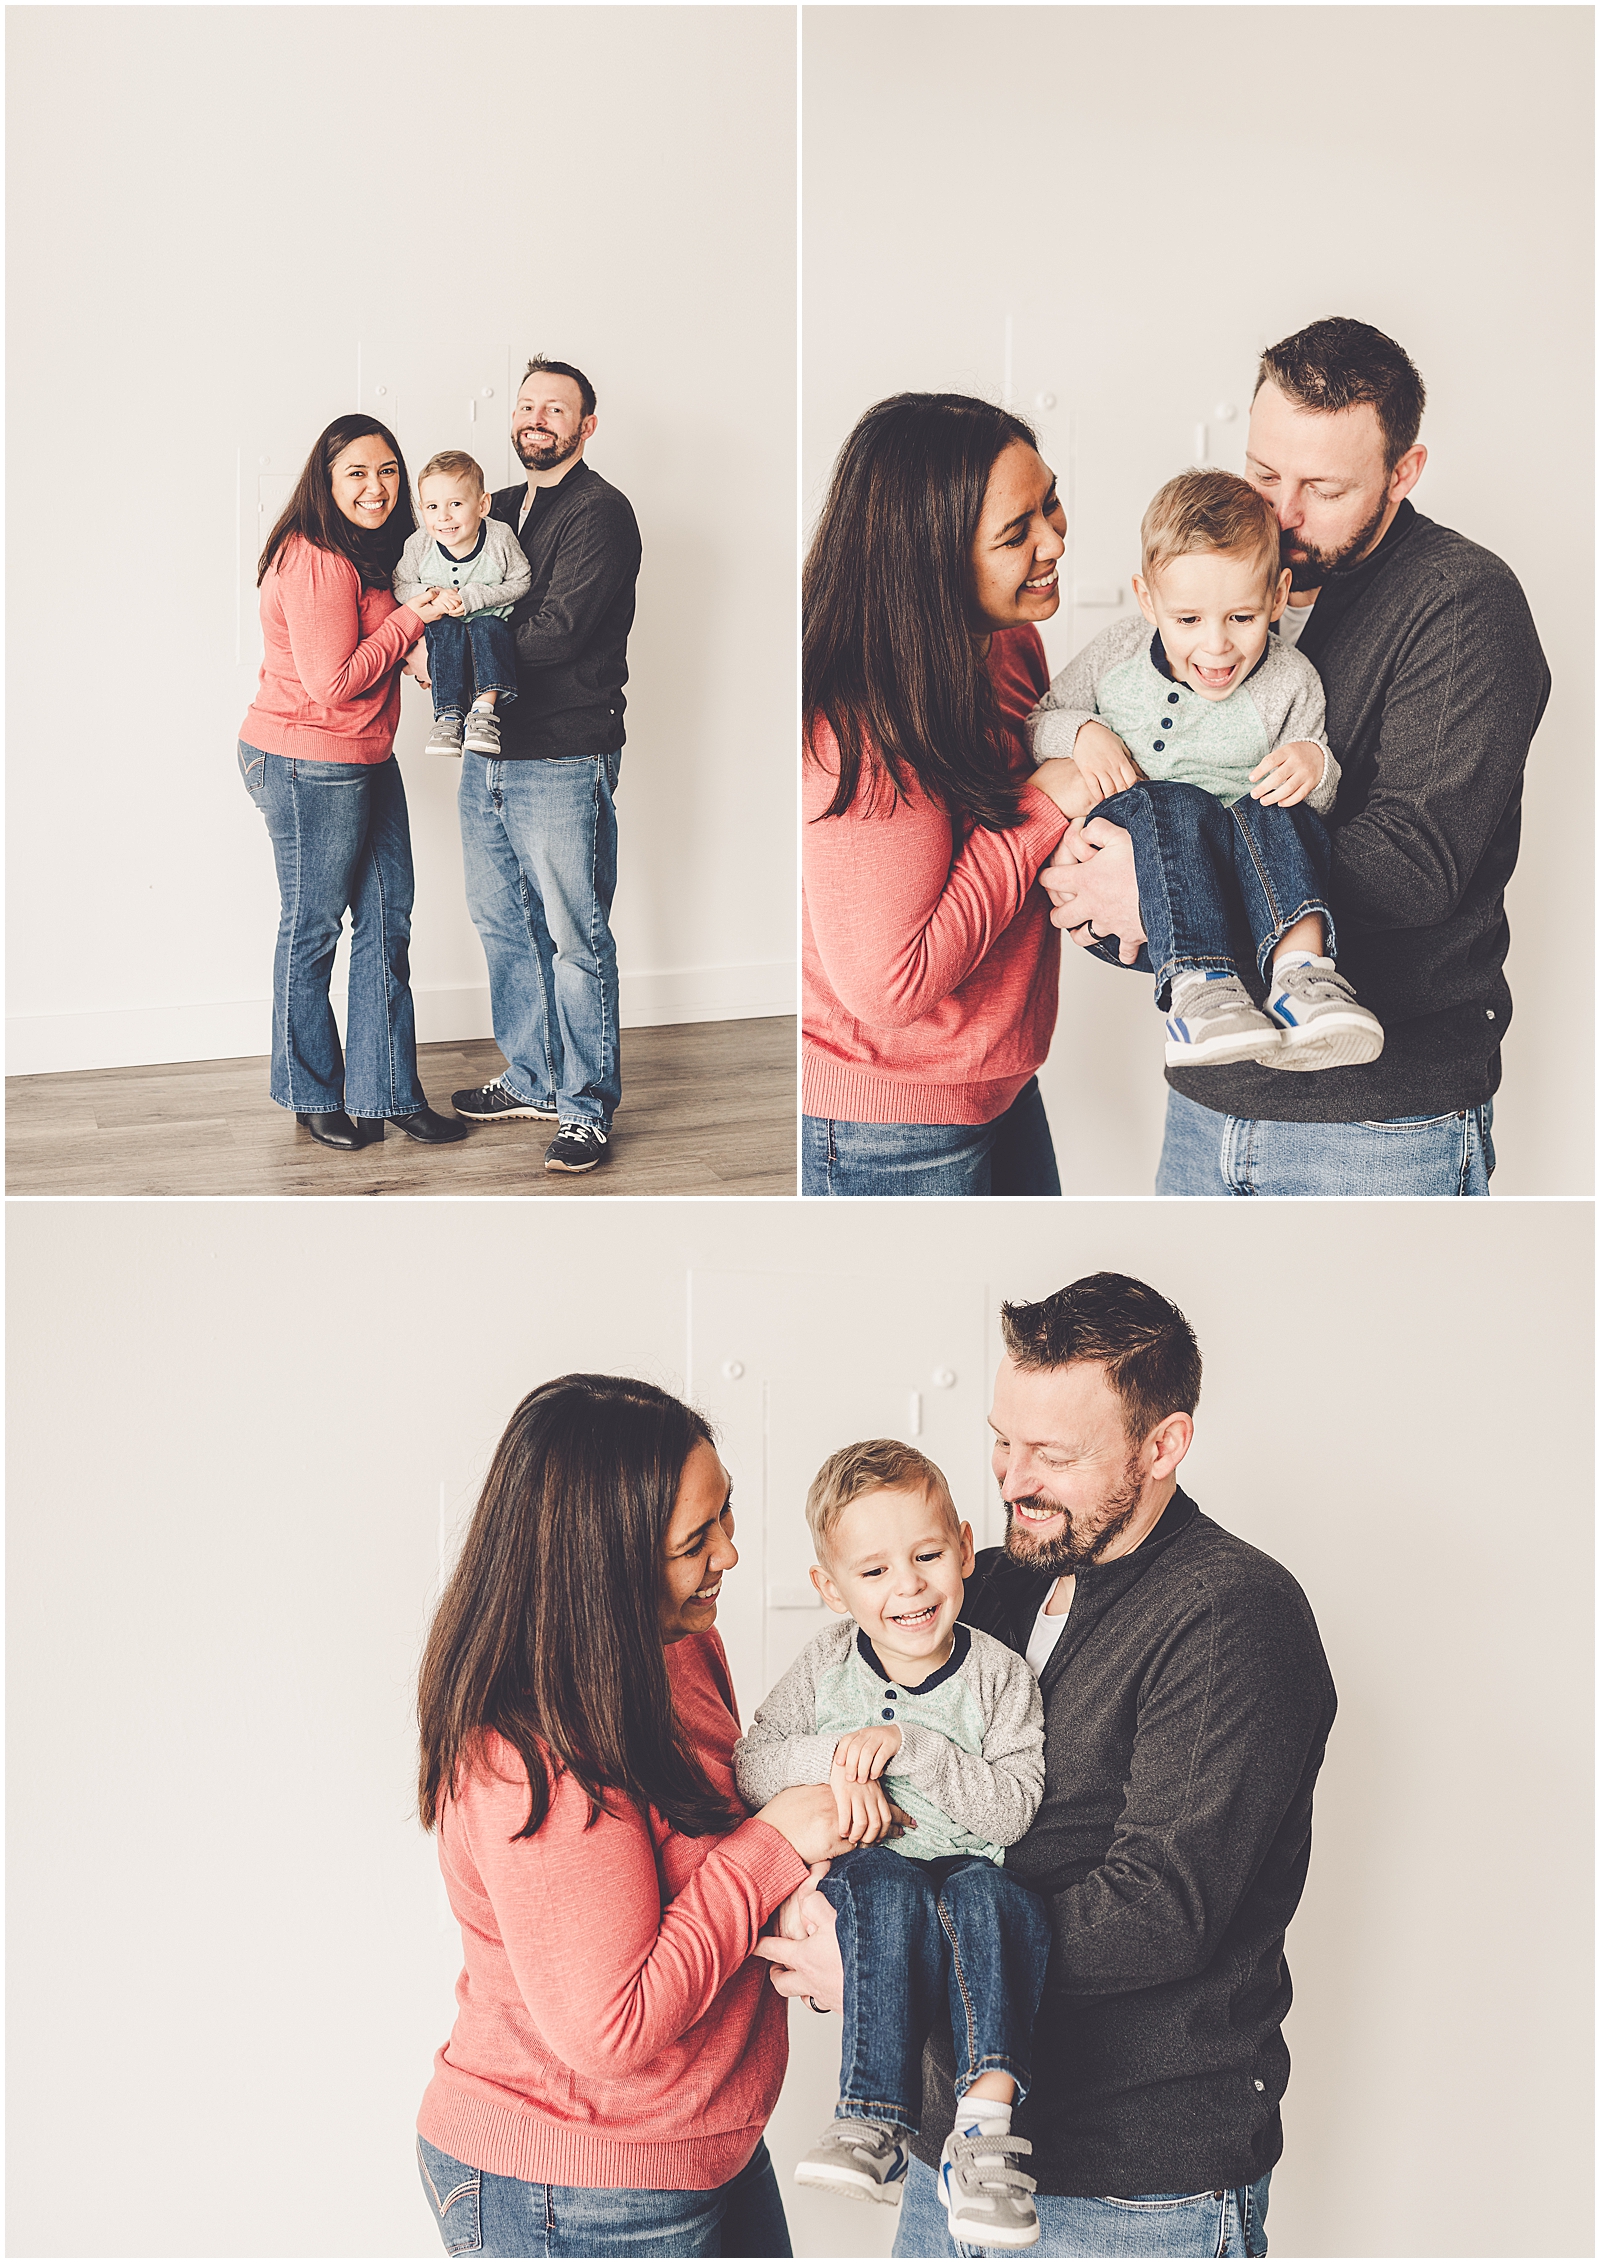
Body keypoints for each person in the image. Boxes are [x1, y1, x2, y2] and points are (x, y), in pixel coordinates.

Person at [754, 1273, 1338, 2262]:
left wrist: (885, 1964)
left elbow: (1156, 1915)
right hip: (949, 2166)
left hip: (1131, 2194)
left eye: (1054, 1455)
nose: (1011, 1480)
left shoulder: (1233, 1616)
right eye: (1001, 1440)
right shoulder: (984, 1585)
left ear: (1162, 1446)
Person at [1042, 319, 1551, 1196]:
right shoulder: (1219, 591)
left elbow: (1412, 866)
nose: (1279, 515)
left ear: (1404, 473)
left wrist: (1156, 883)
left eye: (1322, 487)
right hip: (1208, 1088)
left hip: (1382, 1121)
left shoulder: (1463, 603)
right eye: (1265, 473)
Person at [413, 1373, 869, 2260]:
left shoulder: (679, 1643)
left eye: (725, 1515)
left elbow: (703, 1855)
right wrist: (776, 1845)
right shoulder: (532, 1747)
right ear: (603, 1565)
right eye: (694, 1541)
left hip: (700, 2144)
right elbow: (611, 2025)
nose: (730, 1555)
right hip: (575, 2182)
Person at [733, 1439, 1050, 2249]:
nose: (907, 1584)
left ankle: (983, 2130)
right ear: (830, 1589)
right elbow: (753, 1762)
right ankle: (872, 2117)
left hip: (968, 1872)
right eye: (872, 1571)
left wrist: (914, 1746)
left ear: (965, 1550)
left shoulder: (1001, 1676)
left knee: (998, 1902)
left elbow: (1013, 1809)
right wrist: (840, 1763)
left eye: (927, 1554)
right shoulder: (827, 1665)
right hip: (872, 1877)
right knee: (881, 1880)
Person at [801, 395, 1091, 1198]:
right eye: (1016, 532)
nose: (1055, 539)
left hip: (997, 1081)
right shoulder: (858, 722)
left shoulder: (1008, 641)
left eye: (1051, 501)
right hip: (885, 1124)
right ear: (928, 557)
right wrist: (1047, 802)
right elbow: (889, 985)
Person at [1028, 469, 1382, 1072]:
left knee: (1274, 810)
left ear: (1277, 595)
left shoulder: (1291, 681)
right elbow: (1038, 722)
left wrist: (1313, 764)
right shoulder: (1115, 655)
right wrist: (1083, 734)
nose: (1216, 648)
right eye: (1188, 620)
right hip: (1128, 887)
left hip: (1238, 886)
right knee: (1178, 802)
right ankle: (1200, 990)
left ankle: (1303, 979)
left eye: (1241, 619)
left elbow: (1315, 808)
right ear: (1148, 601)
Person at [237, 414, 467, 1150]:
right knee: (312, 932)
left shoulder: (373, 553)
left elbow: (381, 643)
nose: (377, 487)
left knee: (387, 920)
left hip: (364, 755)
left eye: (388, 471)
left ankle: (387, 1091)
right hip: (306, 760)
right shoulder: (314, 556)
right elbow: (333, 682)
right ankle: (310, 1091)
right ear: (325, 480)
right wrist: (411, 622)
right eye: (357, 473)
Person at [447, 357, 642, 1176]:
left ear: (585, 425)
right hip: (486, 751)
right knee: (503, 924)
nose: (536, 419)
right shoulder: (487, 508)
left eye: (555, 409)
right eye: (527, 405)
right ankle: (534, 1076)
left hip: (563, 752)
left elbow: (558, 630)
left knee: (575, 935)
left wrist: (452, 656)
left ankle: (587, 1109)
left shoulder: (601, 513)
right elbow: (440, 575)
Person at [393, 450, 531, 757]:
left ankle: (484, 712)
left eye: (455, 504)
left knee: (488, 627)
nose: (443, 516)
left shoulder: (499, 538)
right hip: (443, 628)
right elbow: (400, 584)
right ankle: (448, 717)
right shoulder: (419, 544)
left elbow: (522, 580)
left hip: (489, 623)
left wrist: (476, 597)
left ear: (482, 505)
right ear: (421, 509)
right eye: (432, 507)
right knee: (444, 634)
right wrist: (432, 595)